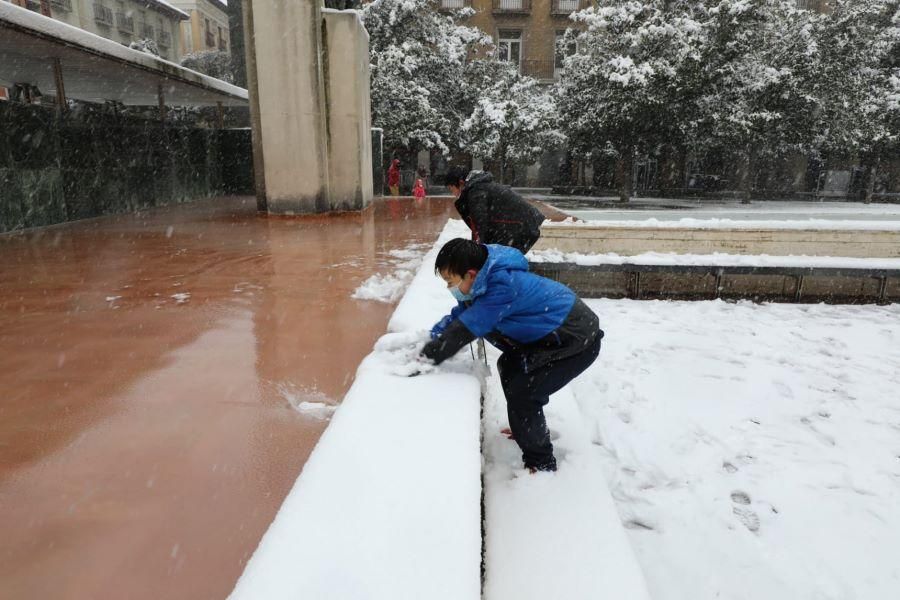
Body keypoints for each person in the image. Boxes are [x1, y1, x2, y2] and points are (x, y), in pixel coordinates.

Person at [420, 238, 603, 473]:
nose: (449, 288)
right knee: (510, 365)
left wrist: (427, 356)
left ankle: (541, 463)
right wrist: (431, 337)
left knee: (525, 391)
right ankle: (525, 429)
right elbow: (461, 317)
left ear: (471, 274)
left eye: (450, 281)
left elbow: (468, 327)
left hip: (575, 339)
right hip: (549, 338)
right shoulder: (481, 286)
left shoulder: (502, 286)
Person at [441, 166, 545, 253]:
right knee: (498, 260)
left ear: (461, 182)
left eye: (451, 188)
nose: (452, 193)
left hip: (520, 227)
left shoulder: (476, 191)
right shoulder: (478, 187)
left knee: (498, 261)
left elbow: (480, 222)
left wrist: (481, 249)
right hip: (520, 226)